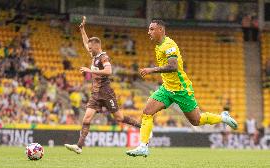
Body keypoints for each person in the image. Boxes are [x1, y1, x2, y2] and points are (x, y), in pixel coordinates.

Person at [126, 20, 238, 157]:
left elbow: (173, 66)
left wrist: (151, 70)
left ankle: (222, 118)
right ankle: (143, 146)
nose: (148, 32)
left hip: (181, 89)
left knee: (196, 121)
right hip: (166, 88)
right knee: (147, 112)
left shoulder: (169, 45)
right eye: (149, 29)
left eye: (151, 29)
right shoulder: (158, 45)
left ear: (160, 30)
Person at [64, 16, 141, 154]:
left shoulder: (103, 57)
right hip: (95, 93)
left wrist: (91, 70)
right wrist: (82, 30)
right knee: (86, 118)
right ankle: (79, 146)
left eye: (90, 47)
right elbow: (85, 42)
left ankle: (142, 126)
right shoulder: (94, 55)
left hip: (105, 92)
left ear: (96, 46)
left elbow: (109, 71)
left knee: (119, 118)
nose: (88, 49)